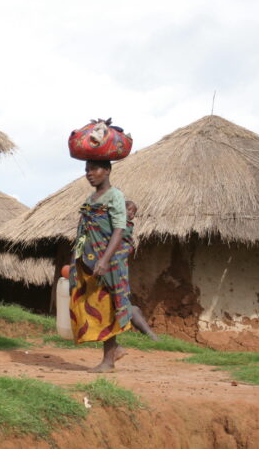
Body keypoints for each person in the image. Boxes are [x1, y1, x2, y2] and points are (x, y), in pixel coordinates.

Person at [69, 159, 132, 372]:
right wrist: (75, 258)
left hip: (108, 262)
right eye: (87, 170)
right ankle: (115, 349)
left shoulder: (115, 196)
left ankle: (108, 360)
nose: (89, 174)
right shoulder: (90, 199)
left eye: (94, 169)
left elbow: (119, 229)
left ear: (107, 170)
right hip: (88, 260)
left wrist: (104, 259)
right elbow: (83, 232)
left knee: (108, 306)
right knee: (92, 304)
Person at [123, 201, 161, 342]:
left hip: (119, 273)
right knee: (129, 308)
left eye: (134, 213)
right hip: (115, 272)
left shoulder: (125, 228)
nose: (132, 214)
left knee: (130, 308)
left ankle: (150, 335)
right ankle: (151, 335)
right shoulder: (117, 226)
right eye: (130, 211)